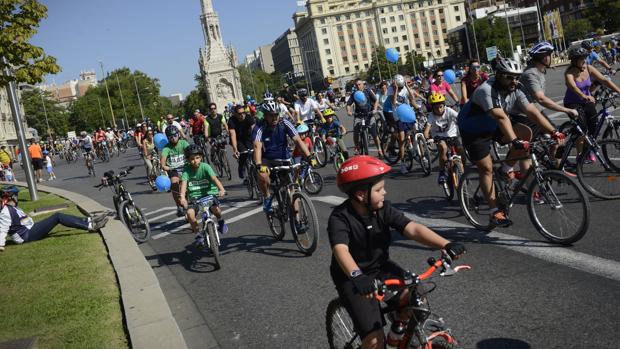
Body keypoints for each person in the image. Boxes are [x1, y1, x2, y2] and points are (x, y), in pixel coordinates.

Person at [327, 156, 466, 349]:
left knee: (416, 298)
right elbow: (340, 250)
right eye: (378, 190)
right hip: (352, 277)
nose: (384, 192)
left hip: (380, 268)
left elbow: (412, 229)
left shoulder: (383, 210)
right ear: (361, 195)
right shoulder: (340, 218)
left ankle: (398, 329)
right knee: (375, 340)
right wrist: (357, 276)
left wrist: (446, 243)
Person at [457, 56, 561, 227]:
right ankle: (493, 212)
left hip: (493, 124)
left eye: (517, 77)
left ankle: (505, 169)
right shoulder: (486, 90)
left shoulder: (516, 88)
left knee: (525, 132)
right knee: (486, 168)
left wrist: (553, 131)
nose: (514, 80)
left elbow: (532, 112)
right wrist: (514, 141)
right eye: (509, 77)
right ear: (498, 75)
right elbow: (501, 117)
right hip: (473, 130)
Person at [0, 186, 108, 252]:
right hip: (26, 236)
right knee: (57, 217)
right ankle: (91, 226)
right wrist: (1, 245)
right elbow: (2, 229)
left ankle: (89, 220)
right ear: (12, 197)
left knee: (57, 216)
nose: (17, 197)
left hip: (31, 229)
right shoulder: (6, 212)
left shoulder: (12, 208)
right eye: (16, 195)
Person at [253, 100, 316, 213]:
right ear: (265, 116)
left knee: (291, 189)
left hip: (284, 158)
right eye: (271, 116)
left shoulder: (284, 123)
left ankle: (298, 221)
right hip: (268, 160)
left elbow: (297, 140)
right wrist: (258, 165)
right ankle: (267, 197)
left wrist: (309, 156)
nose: (274, 118)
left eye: (276, 114)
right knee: (262, 175)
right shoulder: (260, 127)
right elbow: (257, 146)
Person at [564, 47, 620, 161]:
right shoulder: (569, 73)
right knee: (582, 130)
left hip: (587, 101)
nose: (585, 61)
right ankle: (580, 157)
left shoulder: (588, 68)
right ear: (574, 61)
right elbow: (573, 87)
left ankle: (587, 150)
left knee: (593, 127)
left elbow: (604, 80)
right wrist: (585, 96)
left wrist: (618, 91)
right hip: (573, 103)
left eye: (585, 58)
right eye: (582, 59)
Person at [178, 145, 228, 247]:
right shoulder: (186, 170)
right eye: (192, 159)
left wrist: (221, 189)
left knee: (216, 210)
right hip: (195, 198)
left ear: (201, 157)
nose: (195, 161)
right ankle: (198, 234)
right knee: (190, 214)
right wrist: (182, 197)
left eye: (197, 158)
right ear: (187, 160)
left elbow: (214, 179)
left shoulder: (206, 167)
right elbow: (183, 185)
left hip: (209, 194)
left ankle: (220, 221)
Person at [423, 92, 462, 184]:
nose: (439, 109)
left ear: (444, 105)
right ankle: (442, 172)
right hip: (439, 136)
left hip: (452, 134)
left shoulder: (449, 111)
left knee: (461, 150)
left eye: (441, 106)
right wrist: (428, 139)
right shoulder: (431, 116)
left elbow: (460, 118)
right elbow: (426, 130)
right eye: (436, 108)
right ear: (432, 108)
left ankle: (461, 170)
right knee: (443, 148)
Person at [385, 75, 421, 173]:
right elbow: (393, 102)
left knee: (416, 131)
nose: (401, 88)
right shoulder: (391, 90)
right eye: (399, 86)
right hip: (399, 115)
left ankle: (420, 154)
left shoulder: (405, 88)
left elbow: (412, 98)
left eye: (402, 87)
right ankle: (403, 164)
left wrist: (407, 87)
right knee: (401, 139)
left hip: (408, 113)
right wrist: (396, 89)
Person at [347, 79, 383, 158]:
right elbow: (349, 104)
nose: (358, 86)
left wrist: (375, 109)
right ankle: (357, 147)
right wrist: (349, 111)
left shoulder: (368, 91)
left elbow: (376, 100)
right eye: (356, 85)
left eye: (359, 84)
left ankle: (379, 150)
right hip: (358, 116)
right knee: (356, 131)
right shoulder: (354, 94)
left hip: (369, 115)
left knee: (374, 133)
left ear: (363, 85)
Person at [160, 126, 190, 217]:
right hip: (174, 170)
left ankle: (190, 200)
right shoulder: (166, 148)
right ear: (168, 138)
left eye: (175, 135)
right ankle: (178, 206)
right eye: (170, 137)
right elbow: (163, 163)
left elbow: (191, 153)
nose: (173, 138)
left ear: (178, 134)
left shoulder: (183, 143)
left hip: (185, 167)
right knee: (174, 183)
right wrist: (166, 167)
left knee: (187, 185)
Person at [228, 104, 256, 180]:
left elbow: (254, 130)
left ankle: (255, 172)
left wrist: (258, 143)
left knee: (255, 154)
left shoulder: (248, 117)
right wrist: (235, 149)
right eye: (240, 113)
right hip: (238, 139)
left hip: (248, 138)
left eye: (243, 112)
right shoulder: (231, 120)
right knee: (244, 153)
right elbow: (232, 134)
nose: (242, 115)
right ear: (235, 114)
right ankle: (241, 167)